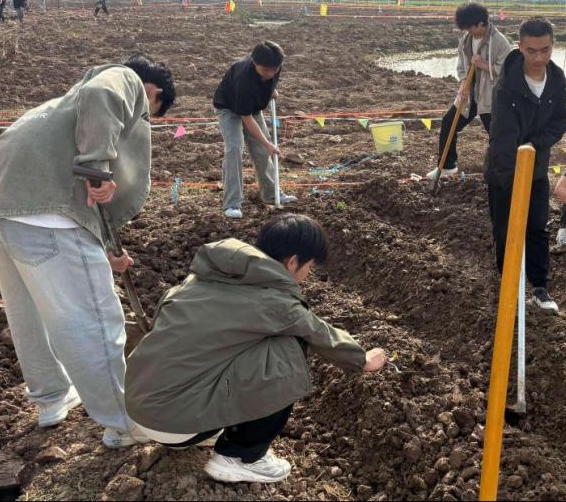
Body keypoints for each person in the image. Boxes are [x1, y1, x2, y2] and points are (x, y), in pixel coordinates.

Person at [0, 54, 177, 447]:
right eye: (150, 114)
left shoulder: (64, 106)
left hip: (5, 202)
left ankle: (51, 398)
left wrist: (105, 248)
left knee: (28, 311)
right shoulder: (123, 78)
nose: (141, 123)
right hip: (48, 207)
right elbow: (102, 95)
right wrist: (98, 167)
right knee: (95, 317)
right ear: (154, 93)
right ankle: (127, 421)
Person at [125, 214, 387, 483]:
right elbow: (319, 333)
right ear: (293, 261)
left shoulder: (203, 278)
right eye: (309, 266)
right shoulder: (276, 301)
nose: (308, 275)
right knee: (288, 349)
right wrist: (363, 359)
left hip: (140, 408)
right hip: (175, 422)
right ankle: (242, 456)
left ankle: (201, 426)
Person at [485, 17, 566, 313]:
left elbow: (561, 119)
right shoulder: (507, 86)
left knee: (537, 227)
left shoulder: (556, 80)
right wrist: (510, 181)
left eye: (545, 50)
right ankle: (510, 285)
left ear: (552, 46)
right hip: (504, 170)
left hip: (536, 170)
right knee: (506, 231)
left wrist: (535, 144)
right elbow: (502, 137)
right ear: (520, 46)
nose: (538, 58)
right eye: (531, 50)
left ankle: (539, 287)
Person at [427, 2, 512, 180]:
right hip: (469, 94)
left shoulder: (499, 42)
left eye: (470, 27)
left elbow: (507, 71)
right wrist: (463, 83)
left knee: (497, 135)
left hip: (490, 97)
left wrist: (482, 64)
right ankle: (447, 166)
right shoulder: (466, 40)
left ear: (481, 23)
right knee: (448, 122)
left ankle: (504, 171)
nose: (468, 31)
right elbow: (461, 67)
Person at [213, 41, 297, 219]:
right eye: (266, 70)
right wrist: (267, 144)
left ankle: (272, 194)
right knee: (234, 148)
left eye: (274, 70)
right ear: (254, 62)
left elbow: (269, 80)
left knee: (262, 150)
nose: (271, 73)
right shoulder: (244, 79)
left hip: (252, 108)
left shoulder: (274, 65)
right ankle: (232, 204)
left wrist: (271, 89)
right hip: (228, 108)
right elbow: (246, 117)